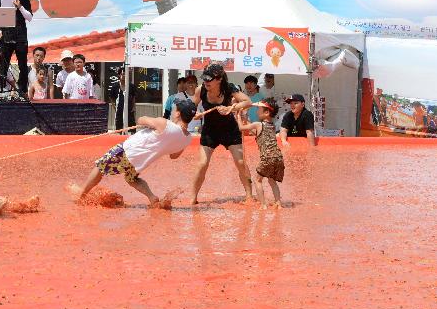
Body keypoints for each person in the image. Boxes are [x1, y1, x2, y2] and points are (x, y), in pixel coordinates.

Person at [73, 99, 196, 207]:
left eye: (176, 109)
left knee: (99, 167)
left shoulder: (164, 124)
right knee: (131, 179)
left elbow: (140, 120)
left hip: (128, 151)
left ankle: (81, 194)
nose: (174, 111)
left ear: (178, 113)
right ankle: (152, 197)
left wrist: (155, 126)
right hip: (141, 162)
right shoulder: (187, 138)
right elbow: (173, 156)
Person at [189, 63, 254, 205]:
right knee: (202, 164)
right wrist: (194, 114)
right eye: (204, 78)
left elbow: (247, 101)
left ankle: (249, 195)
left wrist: (231, 108)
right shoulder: (201, 90)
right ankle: (192, 198)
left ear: (218, 79)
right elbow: (191, 106)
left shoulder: (229, 88)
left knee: (241, 162)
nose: (205, 82)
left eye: (209, 79)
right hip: (209, 131)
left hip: (230, 130)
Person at [235, 98, 285, 208]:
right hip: (278, 157)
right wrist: (245, 118)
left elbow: (241, 128)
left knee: (257, 180)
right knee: (272, 181)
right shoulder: (272, 126)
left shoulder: (258, 124)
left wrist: (238, 116)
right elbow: (255, 132)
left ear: (266, 112)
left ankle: (263, 205)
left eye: (259, 109)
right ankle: (278, 203)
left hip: (267, 157)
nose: (257, 111)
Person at [0, 0, 32, 97]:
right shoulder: (3, 0)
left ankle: (23, 91)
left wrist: (20, 7)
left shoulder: (25, 1)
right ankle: (1, 91)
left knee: (22, 64)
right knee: (3, 65)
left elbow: (30, 17)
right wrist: (0, 32)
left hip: (21, 36)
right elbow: (0, 19)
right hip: (7, 36)